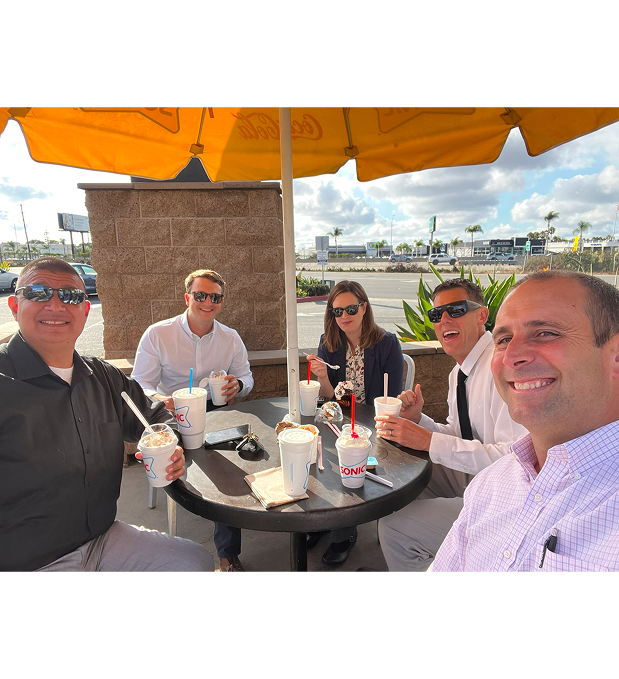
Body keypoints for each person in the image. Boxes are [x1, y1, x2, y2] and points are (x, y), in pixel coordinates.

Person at [0, 257, 213, 572]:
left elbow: (158, 416)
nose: (55, 305)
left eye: (70, 296)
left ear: (85, 310)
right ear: (15, 306)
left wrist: (170, 443)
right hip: (30, 560)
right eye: (38, 293)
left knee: (195, 562)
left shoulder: (104, 376)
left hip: (101, 537)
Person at [433, 271, 619, 571]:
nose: (512, 356)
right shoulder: (491, 485)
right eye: (504, 339)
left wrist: (427, 441)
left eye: (545, 333)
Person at [374, 279, 528, 572]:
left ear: (482, 315)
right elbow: (458, 435)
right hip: (473, 476)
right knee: (398, 480)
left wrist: (428, 441)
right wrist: (420, 420)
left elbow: (514, 461)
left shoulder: (500, 367)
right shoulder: (459, 373)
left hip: (504, 500)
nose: (444, 319)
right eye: (436, 314)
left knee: (393, 526)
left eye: (456, 310)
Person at [131, 268, 254, 572]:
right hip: (170, 413)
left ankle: (227, 555)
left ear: (222, 301)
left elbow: (247, 377)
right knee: (176, 457)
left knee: (229, 467)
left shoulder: (230, 337)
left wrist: (237, 385)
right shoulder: (158, 334)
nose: (208, 302)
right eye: (201, 295)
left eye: (215, 297)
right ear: (187, 298)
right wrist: (159, 399)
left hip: (216, 410)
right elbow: (140, 383)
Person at [306, 280, 404, 566]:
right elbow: (329, 399)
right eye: (337, 311)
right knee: (317, 453)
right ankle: (321, 519)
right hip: (339, 420)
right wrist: (322, 377)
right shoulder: (329, 343)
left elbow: (390, 397)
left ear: (364, 308)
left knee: (348, 457)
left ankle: (343, 532)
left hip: (373, 425)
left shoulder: (387, 344)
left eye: (350, 309)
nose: (344, 316)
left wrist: (361, 424)